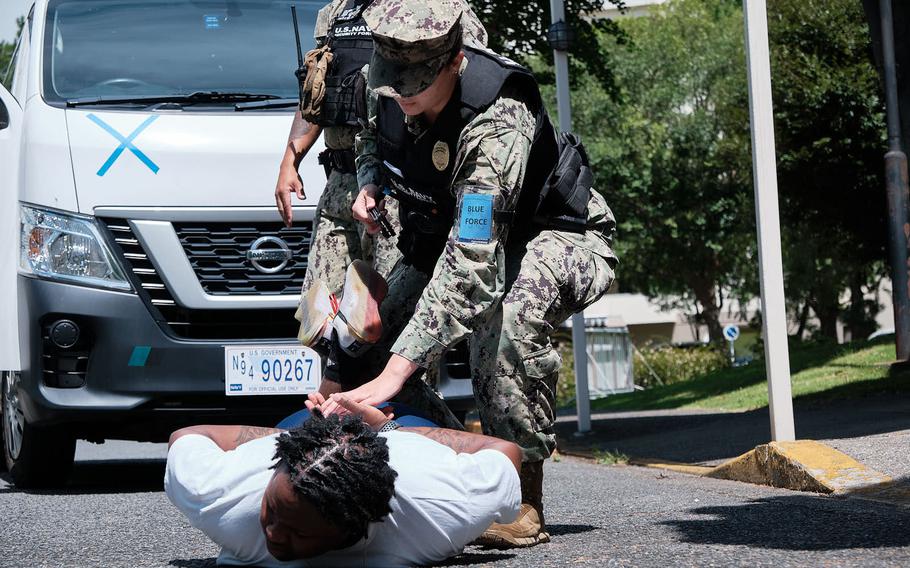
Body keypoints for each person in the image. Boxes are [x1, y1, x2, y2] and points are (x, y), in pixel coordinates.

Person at [320, 0, 618, 548]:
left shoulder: (498, 117)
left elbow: (473, 263)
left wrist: (397, 375)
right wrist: (370, 183)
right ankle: (460, 458)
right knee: (362, 345)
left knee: (503, 321)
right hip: (444, 237)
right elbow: (369, 138)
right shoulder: (382, 82)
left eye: (417, 82)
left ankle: (520, 496)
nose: (402, 94)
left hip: (554, 237)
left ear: (455, 61)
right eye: (394, 80)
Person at [275, 0, 488, 398]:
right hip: (342, 180)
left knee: (387, 326)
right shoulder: (334, 14)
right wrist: (291, 160)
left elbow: (463, 77)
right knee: (322, 319)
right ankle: (338, 423)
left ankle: (401, 428)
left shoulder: (427, 11)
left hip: (397, 186)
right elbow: (316, 94)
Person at [165, 395, 521, 567]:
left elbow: (505, 449)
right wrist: (311, 436)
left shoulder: (437, 508)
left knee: (403, 405)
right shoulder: (224, 494)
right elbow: (189, 434)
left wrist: (384, 429)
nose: (272, 533)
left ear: (355, 527)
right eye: (270, 510)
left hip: (399, 439)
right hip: (298, 431)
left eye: (299, 532)